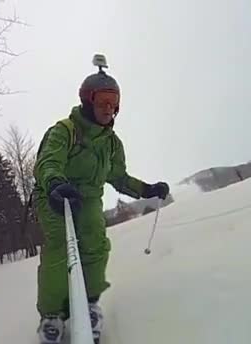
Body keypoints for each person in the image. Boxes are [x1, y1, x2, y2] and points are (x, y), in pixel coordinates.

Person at [32, 56, 170, 344]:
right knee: (61, 247)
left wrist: (146, 189)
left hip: (90, 198)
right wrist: (56, 183)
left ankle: (89, 302)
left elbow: (119, 177)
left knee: (95, 243)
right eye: (102, 101)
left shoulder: (111, 143)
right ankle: (52, 315)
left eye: (114, 103)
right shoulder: (65, 130)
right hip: (54, 194)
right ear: (87, 101)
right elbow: (48, 162)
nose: (108, 109)